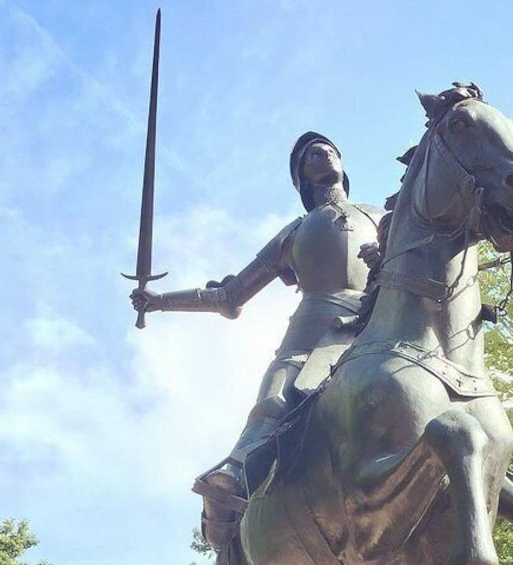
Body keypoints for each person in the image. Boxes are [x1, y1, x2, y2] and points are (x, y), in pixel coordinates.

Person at [130, 131, 384, 549]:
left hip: (374, 320)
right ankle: (234, 476)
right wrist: (160, 302)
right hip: (312, 326)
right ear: (303, 178)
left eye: (327, 149)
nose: (320, 154)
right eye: (308, 157)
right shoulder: (295, 232)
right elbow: (230, 297)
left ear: (342, 160)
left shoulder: (380, 216)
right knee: (277, 395)